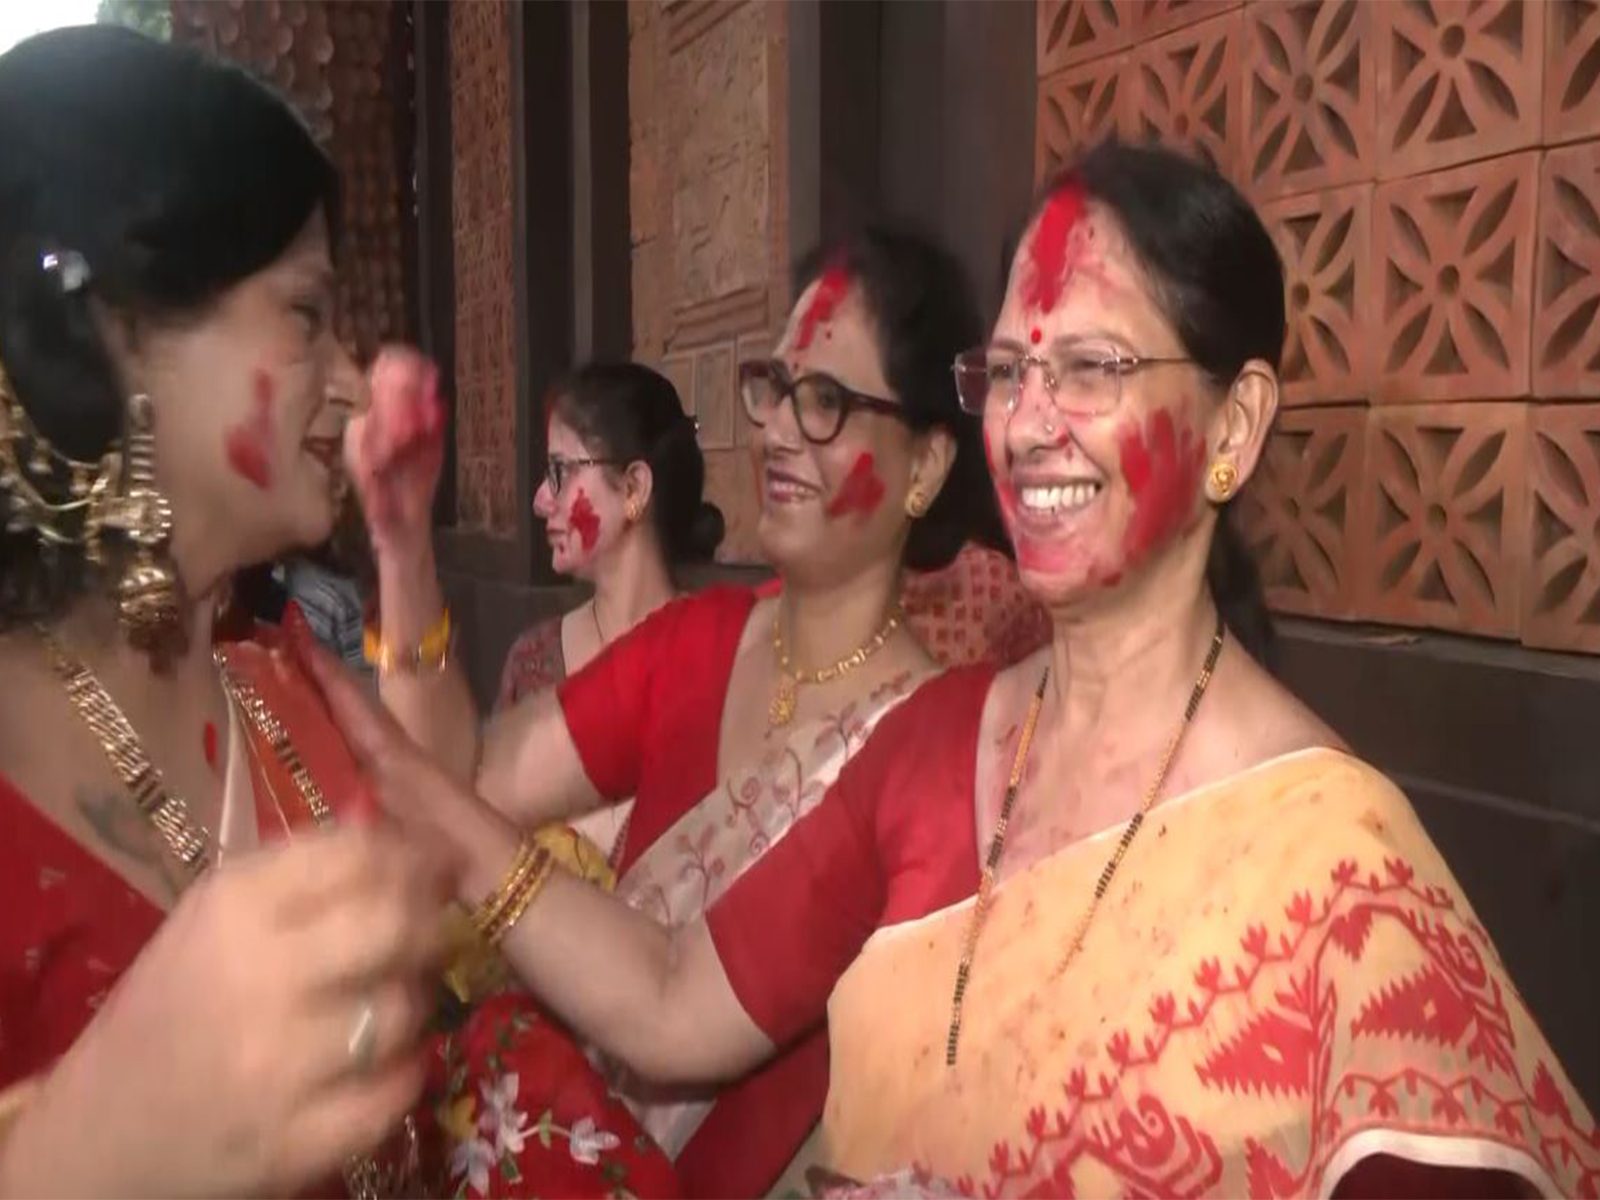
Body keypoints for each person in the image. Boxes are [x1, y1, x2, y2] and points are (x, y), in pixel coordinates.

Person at [319, 141, 1598, 1198]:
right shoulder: (933, 749)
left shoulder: (1337, 864)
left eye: (1092, 367)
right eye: (1010, 370)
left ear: (1236, 425)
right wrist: (422, 770)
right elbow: (665, 999)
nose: (1029, 422)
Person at [344, 226, 1008, 1196]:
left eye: (822, 402)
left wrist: (427, 803)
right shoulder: (697, 642)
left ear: (924, 467)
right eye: (773, 390)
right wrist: (402, 548)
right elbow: (469, 780)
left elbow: (671, 1000)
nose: (776, 430)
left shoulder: (933, 743)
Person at [0, 27, 445, 1196]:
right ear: (115, 337)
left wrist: (405, 540)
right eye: (305, 315)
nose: (349, 379)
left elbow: (443, 808)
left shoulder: (280, 680)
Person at [496, 363, 722, 857]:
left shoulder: (726, 662)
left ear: (635, 489)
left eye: (560, 471)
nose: (539, 501)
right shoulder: (533, 663)